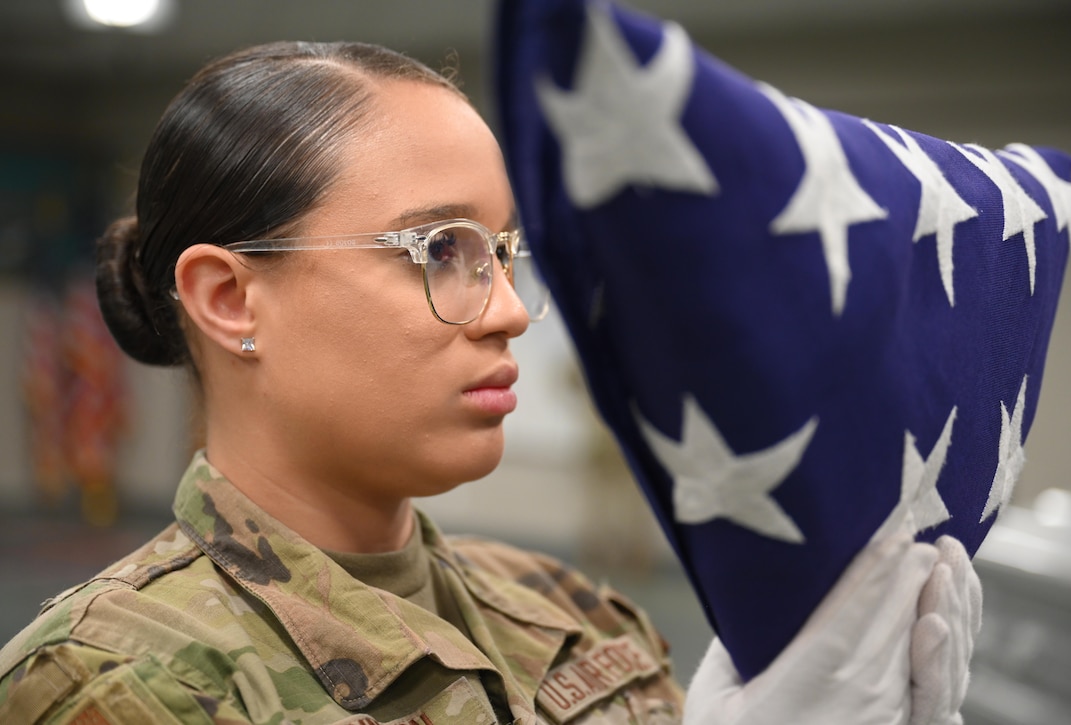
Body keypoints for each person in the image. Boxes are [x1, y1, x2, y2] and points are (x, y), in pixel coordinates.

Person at [0, 40, 978, 725]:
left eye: (504, 252)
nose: (508, 307)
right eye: (441, 248)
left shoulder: (566, 607)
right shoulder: (114, 681)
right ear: (228, 298)